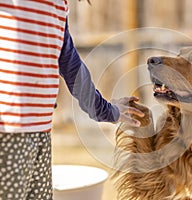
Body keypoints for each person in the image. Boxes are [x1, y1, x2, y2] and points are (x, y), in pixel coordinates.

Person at [0, 0, 143, 199]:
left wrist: (107, 110)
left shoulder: (58, 4)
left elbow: (71, 66)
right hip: (7, 131)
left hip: (40, 133)